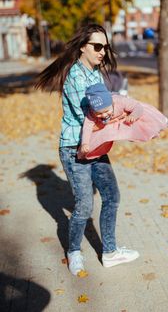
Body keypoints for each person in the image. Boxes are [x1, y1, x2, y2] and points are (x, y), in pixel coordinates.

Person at [35, 23, 139, 275]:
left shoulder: (94, 73)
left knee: (112, 197)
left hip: (97, 146)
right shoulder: (75, 77)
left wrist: (124, 112)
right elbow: (93, 114)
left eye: (105, 46)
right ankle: (73, 251)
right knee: (83, 206)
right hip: (75, 149)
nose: (102, 51)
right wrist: (120, 114)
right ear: (83, 47)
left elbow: (107, 105)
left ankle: (110, 252)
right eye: (97, 46)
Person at [79, 83, 168, 159]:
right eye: (99, 113)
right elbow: (87, 127)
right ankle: (91, 153)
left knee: (154, 119)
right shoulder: (92, 113)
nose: (104, 115)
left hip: (133, 112)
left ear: (111, 103)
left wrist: (134, 115)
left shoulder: (120, 101)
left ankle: (167, 121)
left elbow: (138, 107)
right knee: (104, 134)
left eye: (106, 111)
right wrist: (85, 143)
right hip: (115, 121)